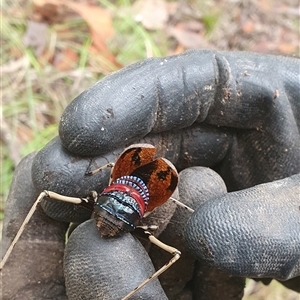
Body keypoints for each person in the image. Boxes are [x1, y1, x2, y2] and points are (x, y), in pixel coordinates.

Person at [1, 50, 299, 300]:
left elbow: (109, 170)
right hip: (123, 208)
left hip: (121, 205)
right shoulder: (126, 177)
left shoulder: (123, 177)